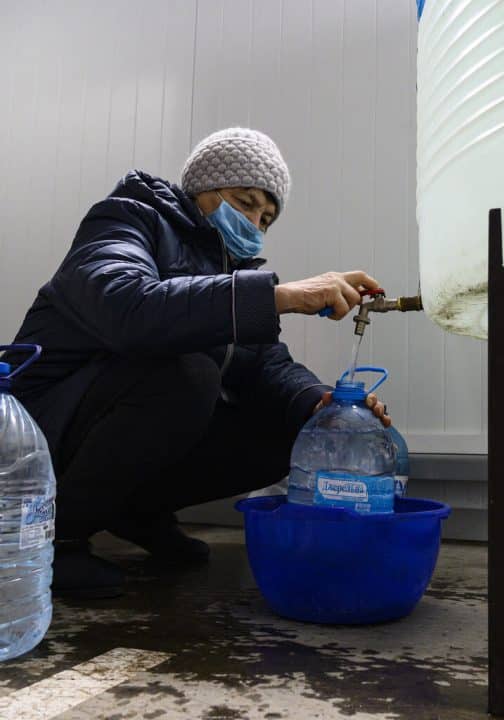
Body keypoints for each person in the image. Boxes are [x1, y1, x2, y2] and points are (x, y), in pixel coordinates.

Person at [5, 127, 389, 599]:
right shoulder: (127, 220)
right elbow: (128, 307)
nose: (254, 222)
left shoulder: (232, 273)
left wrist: (321, 407)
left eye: (266, 217)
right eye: (245, 201)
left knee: (287, 423)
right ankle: (52, 538)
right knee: (184, 375)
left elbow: (267, 366)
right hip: (41, 427)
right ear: (201, 190)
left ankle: (133, 512)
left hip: (101, 424)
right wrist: (278, 297)